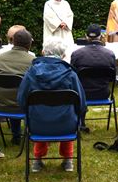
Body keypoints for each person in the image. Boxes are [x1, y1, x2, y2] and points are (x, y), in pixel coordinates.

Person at [17, 37, 86, 173]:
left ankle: (37, 160)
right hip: (66, 125)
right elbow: (81, 103)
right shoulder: (70, 74)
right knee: (67, 112)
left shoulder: (31, 73)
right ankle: (68, 160)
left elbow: (21, 100)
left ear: (43, 52)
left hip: (37, 125)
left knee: (40, 112)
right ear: (62, 55)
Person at [0, 29, 35, 145]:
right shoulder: (33, 61)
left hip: (0, 106)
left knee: (13, 93)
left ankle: (17, 135)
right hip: (25, 106)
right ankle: (37, 132)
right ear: (29, 44)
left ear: (13, 42)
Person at [70, 23, 117, 132]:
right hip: (103, 93)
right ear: (101, 36)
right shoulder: (110, 54)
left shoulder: (77, 54)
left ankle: (80, 121)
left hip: (81, 94)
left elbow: (72, 76)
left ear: (86, 36)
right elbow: (112, 77)